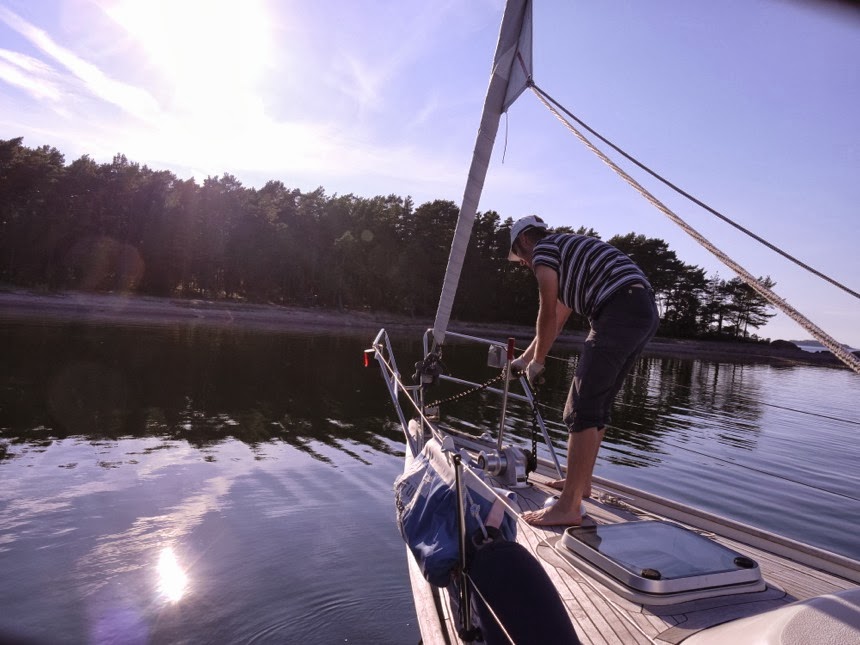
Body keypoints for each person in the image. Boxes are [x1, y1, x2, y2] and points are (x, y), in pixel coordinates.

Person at [507, 215, 659, 527]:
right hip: (640, 309)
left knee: (580, 409)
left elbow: (547, 312)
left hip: (617, 311)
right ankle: (581, 485)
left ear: (524, 241)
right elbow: (557, 321)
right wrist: (524, 360)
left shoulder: (544, 251)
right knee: (597, 405)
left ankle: (569, 506)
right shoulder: (568, 252)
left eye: (519, 257)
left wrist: (538, 364)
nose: (523, 264)